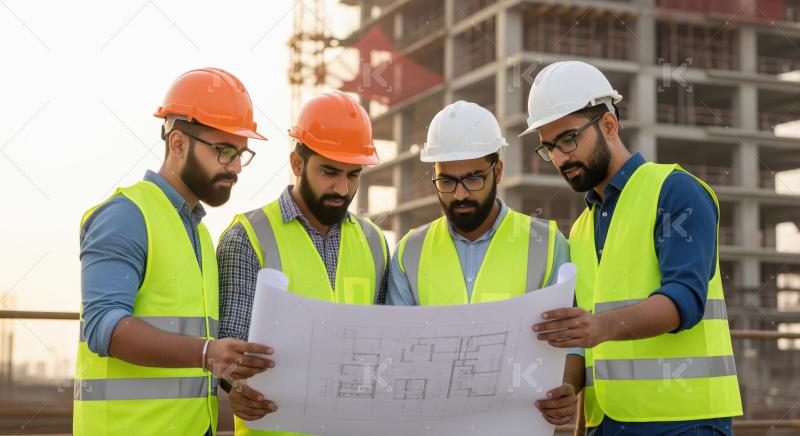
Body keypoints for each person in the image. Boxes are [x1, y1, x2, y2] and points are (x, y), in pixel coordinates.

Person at [523, 60, 742, 435]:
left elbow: (684, 300)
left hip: (682, 422)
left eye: (568, 139)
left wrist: (599, 328)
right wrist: (568, 390)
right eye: (549, 148)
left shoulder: (674, 191)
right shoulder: (581, 228)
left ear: (609, 125)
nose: (560, 158)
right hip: (605, 424)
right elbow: (586, 334)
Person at [75, 68, 272, 435]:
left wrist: (231, 384)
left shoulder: (199, 234)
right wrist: (206, 353)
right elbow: (103, 327)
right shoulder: (125, 216)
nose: (234, 167)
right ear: (178, 143)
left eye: (241, 154)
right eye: (224, 151)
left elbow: (194, 347)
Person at [387, 100, 581, 426]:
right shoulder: (410, 251)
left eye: (474, 178)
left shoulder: (548, 244)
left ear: (499, 172)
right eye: (446, 181)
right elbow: (396, 347)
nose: (460, 194)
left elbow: (573, 343)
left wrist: (567, 387)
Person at [216, 91, 390, 436]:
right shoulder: (247, 237)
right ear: (297, 163)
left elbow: (387, 343)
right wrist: (233, 387)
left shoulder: (374, 243)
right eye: (329, 172)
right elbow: (229, 343)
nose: (341, 188)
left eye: (353, 175)